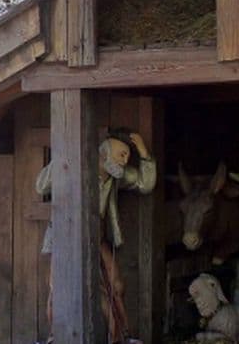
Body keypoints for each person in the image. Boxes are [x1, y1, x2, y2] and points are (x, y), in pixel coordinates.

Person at [35, 132, 156, 343]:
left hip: (95, 237)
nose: (125, 160)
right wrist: (63, 156)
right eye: (121, 155)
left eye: (127, 156)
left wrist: (145, 154)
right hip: (66, 235)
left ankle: (119, 336)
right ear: (104, 153)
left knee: (115, 285)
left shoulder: (116, 175)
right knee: (57, 287)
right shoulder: (77, 164)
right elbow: (40, 186)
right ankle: (55, 336)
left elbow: (146, 184)